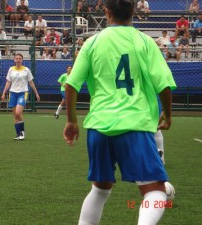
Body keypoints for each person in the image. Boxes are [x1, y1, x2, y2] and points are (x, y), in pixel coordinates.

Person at [62, 1, 176, 225]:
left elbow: (71, 85)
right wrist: (168, 114)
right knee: (155, 191)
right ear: (134, 11)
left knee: (100, 189)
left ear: (106, 12)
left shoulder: (92, 42)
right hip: (135, 124)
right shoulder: (145, 41)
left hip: (99, 125)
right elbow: (163, 84)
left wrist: (72, 122)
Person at [1, 53, 40, 140]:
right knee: (15, 116)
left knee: (18, 113)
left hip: (23, 93)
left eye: (20, 59)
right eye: (16, 58)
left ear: (22, 60)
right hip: (13, 93)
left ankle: (22, 132)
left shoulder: (26, 70)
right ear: (14, 60)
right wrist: (4, 93)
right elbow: (8, 82)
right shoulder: (11, 69)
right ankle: (18, 134)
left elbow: (31, 82)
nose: (18, 60)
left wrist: (36, 93)